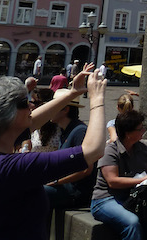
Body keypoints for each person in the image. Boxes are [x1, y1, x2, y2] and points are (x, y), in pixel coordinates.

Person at [0, 64, 106, 239]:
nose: (31, 107)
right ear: (5, 116)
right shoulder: (13, 167)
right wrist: (97, 99)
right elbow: (93, 150)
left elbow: (31, 122)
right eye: (24, 103)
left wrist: (72, 93)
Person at [91, 109, 147, 240]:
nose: (143, 131)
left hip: (134, 197)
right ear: (128, 133)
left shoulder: (143, 149)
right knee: (132, 222)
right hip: (106, 199)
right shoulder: (110, 151)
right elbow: (113, 181)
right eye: (140, 129)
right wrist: (142, 179)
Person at [45, 86, 99, 220]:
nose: (50, 110)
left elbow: (86, 169)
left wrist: (55, 182)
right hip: (64, 188)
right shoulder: (64, 130)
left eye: (55, 106)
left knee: (34, 193)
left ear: (65, 109)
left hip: (75, 192)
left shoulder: (79, 131)